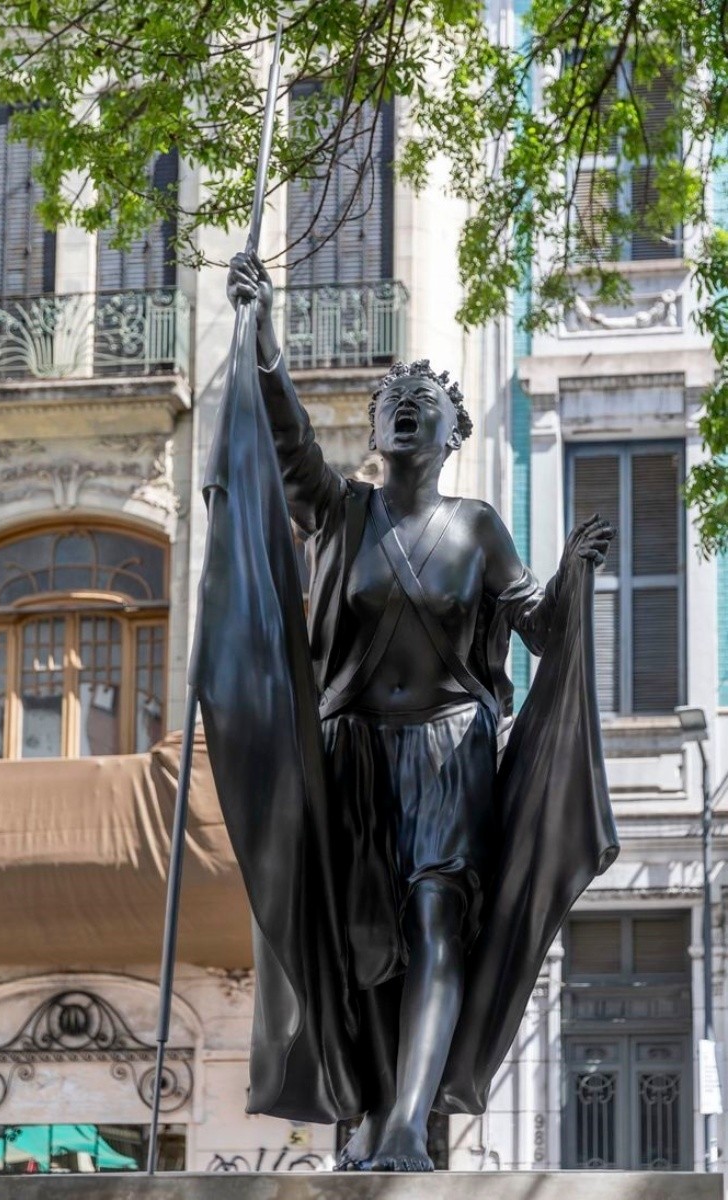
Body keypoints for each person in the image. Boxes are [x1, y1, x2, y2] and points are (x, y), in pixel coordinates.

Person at [226, 250, 615, 1172]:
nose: (407, 405)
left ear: (453, 431)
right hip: (353, 754)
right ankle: (370, 1115)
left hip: (448, 753)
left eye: (425, 400)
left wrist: (574, 576)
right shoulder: (341, 513)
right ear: (375, 428)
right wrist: (262, 336)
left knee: (437, 915)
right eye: (394, 399)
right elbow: (287, 445)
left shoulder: (475, 527)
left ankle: (408, 1124)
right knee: (363, 942)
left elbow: (540, 631)